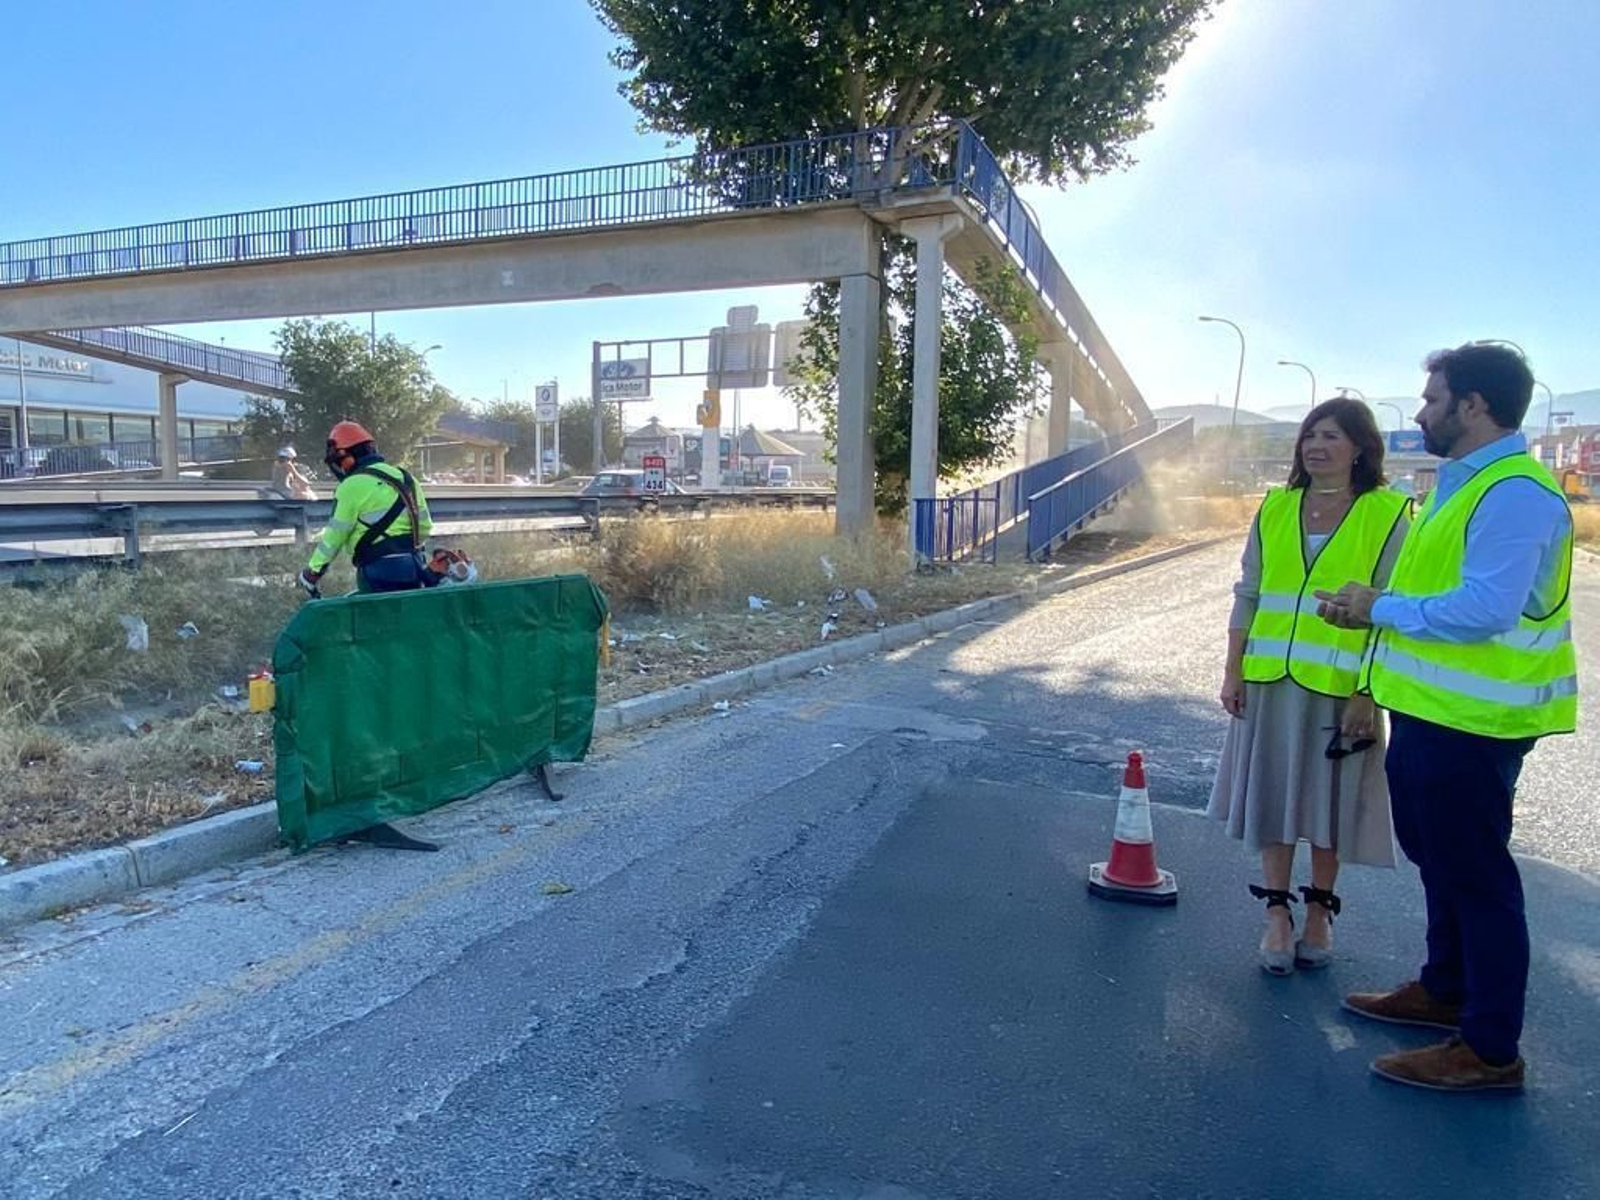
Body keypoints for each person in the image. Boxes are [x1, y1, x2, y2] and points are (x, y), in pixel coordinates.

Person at [1317, 343, 1576, 1093]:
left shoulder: (1514, 493)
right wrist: (1372, 622)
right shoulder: (1459, 488)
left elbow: (1486, 610)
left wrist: (1379, 607)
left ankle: (1490, 1049)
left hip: (1476, 723)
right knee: (1441, 860)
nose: (1423, 412)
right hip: (1433, 714)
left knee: (1477, 877)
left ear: (1473, 405)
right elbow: (1436, 600)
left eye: (1433, 400)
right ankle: (1445, 989)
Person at [1209, 398, 1410, 975]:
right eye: (1310, 436)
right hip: (1270, 682)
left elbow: (1392, 610)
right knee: (1274, 796)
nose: (1317, 446)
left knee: (1330, 804)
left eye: (1332, 436)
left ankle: (1320, 910)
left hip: (1341, 689)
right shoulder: (1275, 507)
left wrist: (1368, 693)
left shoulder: (1388, 514)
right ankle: (1277, 913)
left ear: (1360, 448)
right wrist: (1233, 670)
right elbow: (1248, 593)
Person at [298, 421, 437, 595]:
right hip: (413, 567)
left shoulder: (350, 486)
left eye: (340, 462)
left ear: (349, 456)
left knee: (372, 612)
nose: (340, 467)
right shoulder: (406, 478)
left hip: (376, 571)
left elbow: (335, 536)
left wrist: (313, 571)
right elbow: (424, 527)